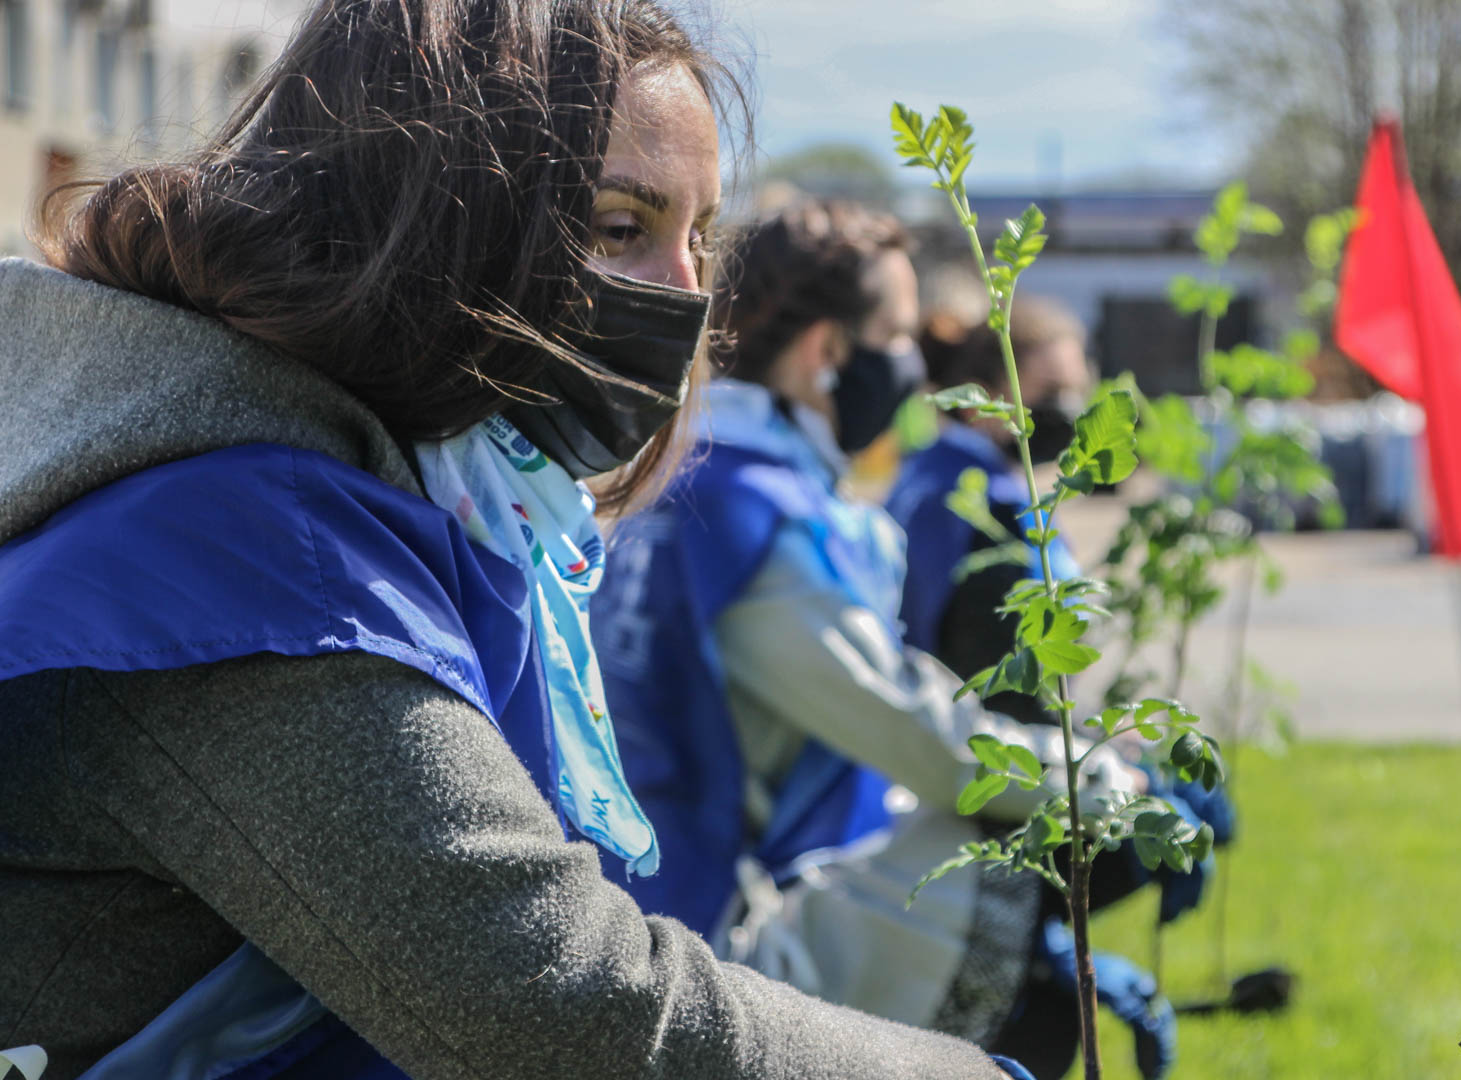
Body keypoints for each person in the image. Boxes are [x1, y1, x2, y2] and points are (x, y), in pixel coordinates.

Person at [0, 2, 1027, 1077]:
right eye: (620, 227)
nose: (689, 299)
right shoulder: (244, 556)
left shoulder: (418, 502)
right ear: (424, 217)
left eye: (702, 238)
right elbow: (569, 1014)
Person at [591, 200, 1150, 1072]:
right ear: (827, 353)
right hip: (702, 956)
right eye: (896, 338)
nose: (914, 372)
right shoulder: (757, 518)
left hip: (640, 903)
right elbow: (922, 740)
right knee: (1025, 843)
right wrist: (1099, 781)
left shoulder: (678, 479)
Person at [886, 302, 1240, 1079]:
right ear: (990, 391)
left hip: (999, 786)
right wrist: (1110, 781)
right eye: (1055, 390)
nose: (1071, 413)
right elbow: (986, 692)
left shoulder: (953, 481)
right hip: (989, 811)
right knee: (1021, 1036)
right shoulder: (981, 507)